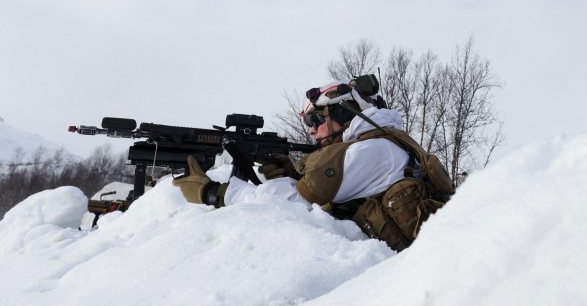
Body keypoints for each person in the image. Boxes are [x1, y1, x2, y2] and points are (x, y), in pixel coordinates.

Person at [173, 75, 453, 251]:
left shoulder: (370, 150)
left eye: (316, 120)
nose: (311, 129)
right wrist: (296, 175)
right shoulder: (389, 142)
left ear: (346, 113)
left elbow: (291, 203)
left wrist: (214, 193)